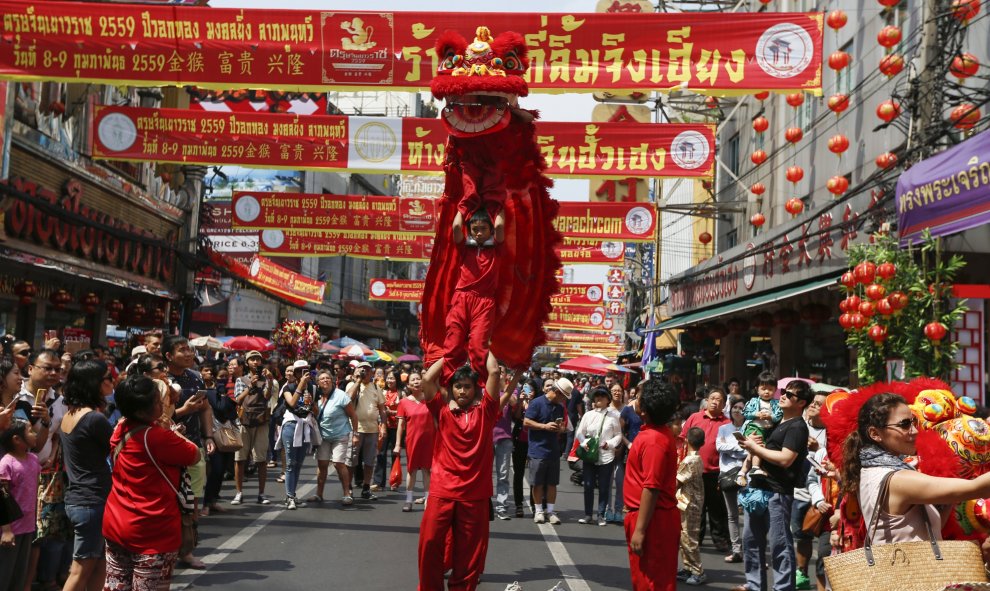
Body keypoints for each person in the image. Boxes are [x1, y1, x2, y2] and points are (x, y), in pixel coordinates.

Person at [417, 353, 518, 591]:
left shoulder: (486, 413)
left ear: (475, 389)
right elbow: (428, 379)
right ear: (451, 389)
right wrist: (453, 353)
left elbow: (493, 372)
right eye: (458, 386)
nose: (463, 391)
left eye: (468, 387)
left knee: (469, 555)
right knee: (429, 544)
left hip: (474, 495)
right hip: (442, 490)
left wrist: (481, 344)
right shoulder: (441, 411)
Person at [103, 375, 200, 591]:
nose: (162, 406)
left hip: (117, 522)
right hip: (153, 529)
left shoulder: (120, 428)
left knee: (116, 585)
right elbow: (194, 455)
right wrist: (170, 432)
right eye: (158, 402)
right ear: (140, 411)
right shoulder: (158, 437)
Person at [733, 380, 813, 591]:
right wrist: (754, 445)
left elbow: (786, 459)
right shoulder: (778, 422)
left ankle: (783, 588)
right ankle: (754, 585)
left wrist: (754, 448)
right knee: (751, 542)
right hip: (758, 487)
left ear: (801, 402)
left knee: (779, 545)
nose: (783, 395)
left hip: (777, 491)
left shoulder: (797, 426)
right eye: (784, 392)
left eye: (790, 394)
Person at [59, 359, 114, 591]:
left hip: (83, 499)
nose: (112, 382)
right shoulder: (94, 418)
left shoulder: (71, 414)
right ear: (95, 384)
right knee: (80, 570)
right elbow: (119, 449)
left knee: (99, 563)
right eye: (108, 378)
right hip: (91, 501)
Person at [162, 336, 214, 569]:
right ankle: (165, 552)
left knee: (191, 504)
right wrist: (183, 410)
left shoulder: (195, 378)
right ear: (168, 356)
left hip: (192, 447)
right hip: (165, 451)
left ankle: (187, 551)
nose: (188, 353)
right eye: (182, 350)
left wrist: (209, 436)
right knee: (169, 505)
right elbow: (155, 417)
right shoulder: (161, 381)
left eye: (190, 349)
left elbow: (205, 409)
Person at [623, 378, 681, 591]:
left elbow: (652, 487)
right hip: (651, 516)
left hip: (652, 518)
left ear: (645, 410)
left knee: (651, 583)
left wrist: (639, 530)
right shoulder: (655, 434)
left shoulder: (653, 440)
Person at [441, 209, 502, 386]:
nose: (479, 233)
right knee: (452, 346)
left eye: (483, 228)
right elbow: (456, 226)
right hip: (461, 300)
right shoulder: (464, 247)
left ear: (490, 231)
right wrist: (464, 206)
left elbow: (499, 224)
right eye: (475, 229)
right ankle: (448, 385)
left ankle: (478, 387)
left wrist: (499, 205)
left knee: (477, 348)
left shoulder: (497, 248)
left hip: (484, 302)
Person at [681, 387, 731, 552]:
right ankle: (696, 538)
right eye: (713, 398)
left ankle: (720, 540)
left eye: (719, 400)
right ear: (707, 400)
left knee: (717, 509)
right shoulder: (695, 417)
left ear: (724, 405)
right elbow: (683, 438)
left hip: (716, 471)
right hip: (694, 472)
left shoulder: (727, 423)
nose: (715, 402)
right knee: (696, 508)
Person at [791, 390, 827, 590]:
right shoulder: (799, 426)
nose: (813, 406)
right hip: (800, 491)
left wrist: (818, 448)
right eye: (813, 402)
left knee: (824, 544)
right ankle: (802, 574)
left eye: (819, 404)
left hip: (823, 495)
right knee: (801, 535)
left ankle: (822, 580)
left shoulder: (831, 432)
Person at [523, 377, 572, 525]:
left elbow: (564, 426)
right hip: (537, 450)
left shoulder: (559, 407)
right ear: (557, 392)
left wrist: (561, 428)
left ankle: (550, 511)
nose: (564, 400)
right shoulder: (537, 403)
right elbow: (526, 422)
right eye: (563, 397)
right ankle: (538, 511)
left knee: (552, 483)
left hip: (553, 450)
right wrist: (544, 426)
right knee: (537, 482)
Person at [0, 420, 41, 591]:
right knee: (5, 573)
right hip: (11, 530)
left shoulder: (33, 459)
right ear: (17, 439)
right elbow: (2, 498)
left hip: (28, 526)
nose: (35, 434)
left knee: (20, 573)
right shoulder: (6, 464)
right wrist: (7, 530)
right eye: (30, 431)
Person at [232, 351, 274, 506]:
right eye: (253, 359)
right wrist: (250, 386)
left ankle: (261, 493)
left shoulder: (266, 378)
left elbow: (268, 396)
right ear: (247, 362)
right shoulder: (240, 380)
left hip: (261, 421)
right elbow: (237, 400)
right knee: (240, 459)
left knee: (261, 459)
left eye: (258, 359)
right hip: (243, 421)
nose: (256, 362)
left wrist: (269, 380)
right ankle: (239, 492)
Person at [575, 387, 622, 526]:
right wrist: (583, 442)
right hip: (590, 454)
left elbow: (619, 435)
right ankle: (588, 514)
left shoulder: (614, 416)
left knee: (603, 486)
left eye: (602, 396)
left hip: (606, 455)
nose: (599, 398)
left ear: (608, 399)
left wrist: (610, 443)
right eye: (597, 396)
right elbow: (579, 432)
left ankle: (601, 515)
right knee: (588, 485)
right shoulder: (588, 415)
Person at [312, 370, 359, 506]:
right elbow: (315, 414)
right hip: (323, 436)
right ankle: (319, 494)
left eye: (328, 378)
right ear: (318, 382)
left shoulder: (341, 395)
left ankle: (346, 493)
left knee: (338, 463)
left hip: (340, 434)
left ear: (332, 380)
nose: (325, 380)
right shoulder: (316, 395)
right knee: (322, 464)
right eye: (322, 379)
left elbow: (353, 416)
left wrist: (355, 434)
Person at [394, 370, 436, 512]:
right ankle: (408, 500)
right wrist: (397, 444)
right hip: (412, 441)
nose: (416, 382)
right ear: (408, 385)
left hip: (429, 441)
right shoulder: (404, 402)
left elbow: (437, 421)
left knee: (427, 470)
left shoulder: (431, 399)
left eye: (419, 379)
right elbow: (401, 425)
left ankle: (428, 499)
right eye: (413, 380)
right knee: (411, 471)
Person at [346, 361, 386, 501]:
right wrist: (357, 381)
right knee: (352, 460)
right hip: (355, 429)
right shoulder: (352, 385)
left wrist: (384, 426)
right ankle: (348, 489)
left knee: (369, 461)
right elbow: (348, 399)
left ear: (372, 372)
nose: (365, 372)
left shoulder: (376, 387)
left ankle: (366, 488)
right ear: (357, 371)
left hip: (372, 429)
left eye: (367, 370)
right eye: (362, 370)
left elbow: (382, 409)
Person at [716, 395, 747, 563]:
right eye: (735, 407)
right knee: (732, 515)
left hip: (746, 474)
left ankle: (751, 551)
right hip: (727, 473)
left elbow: (750, 452)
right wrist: (739, 447)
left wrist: (732, 450)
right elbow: (719, 446)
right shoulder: (723, 429)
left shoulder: (750, 428)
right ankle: (736, 550)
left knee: (750, 513)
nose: (737, 410)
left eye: (741, 408)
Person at [737, 371, 783, 484]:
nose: (767, 392)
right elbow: (745, 412)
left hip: (768, 430)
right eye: (763, 389)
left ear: (775, 389)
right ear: (757, 389)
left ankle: (742, 473)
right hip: (754, 427)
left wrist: (770, 416)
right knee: (758, 447)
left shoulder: (777, 403)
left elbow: (778, 416)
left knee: (753, 452)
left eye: (770, 389)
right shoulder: (753, 401)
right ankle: (756, 467)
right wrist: (756, 414)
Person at [676, 427, 707, 586]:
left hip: (690, 503)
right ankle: (688, 567)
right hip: (690, 502)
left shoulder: (690, 460)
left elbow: (677, 481)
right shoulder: (697, 458)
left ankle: (698, 571)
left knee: (689, 537)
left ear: (686, 440)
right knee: (684, 536)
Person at [491, 369, 517, 520]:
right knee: (485, 474)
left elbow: (513, 402)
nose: (499, 374)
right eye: (496, 371)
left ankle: (501, 506)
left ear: (506, 375)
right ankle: (485, 504)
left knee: (503, 474)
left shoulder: (508, 391)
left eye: (502, 372)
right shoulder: (484, 390)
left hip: (504, 438)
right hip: (487, 438)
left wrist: (502, 386)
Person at [373, 370, 402, 492]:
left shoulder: (402, 393)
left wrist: (393, 412)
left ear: (397, 380)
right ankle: (379, 482)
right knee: (380, 453)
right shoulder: (382, 392)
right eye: (388, 378)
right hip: (383, 426)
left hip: (397, 427)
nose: (390, 381)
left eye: (392, 378)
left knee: (395, 454)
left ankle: (394, 481)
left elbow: (404, 410)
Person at [510, 382, 531, 518]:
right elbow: (517, 416)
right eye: (525, 389)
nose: (528, 392)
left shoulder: (538, 403)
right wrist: (521, 401)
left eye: (530, 389)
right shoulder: (520, 402)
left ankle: (536, 505)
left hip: (534, 443)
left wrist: (531, 403)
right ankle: (519, 505)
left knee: (535, 475)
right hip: (519, 442)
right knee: (519, 474)